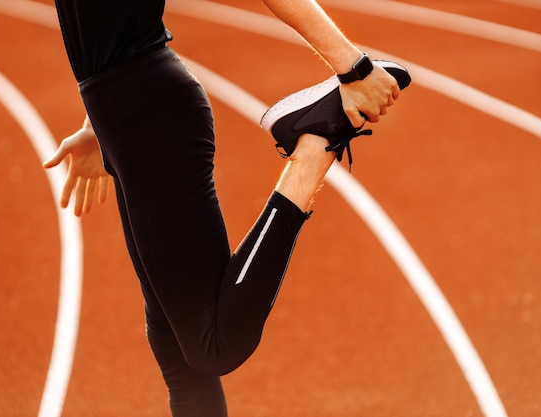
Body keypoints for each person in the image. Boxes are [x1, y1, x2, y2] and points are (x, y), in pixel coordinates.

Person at [42, 0, 408, 415]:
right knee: (176, 347)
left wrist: (354, 70)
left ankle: (316, 141)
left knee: (214, 345)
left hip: (149, 116)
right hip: (127, 115)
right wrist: (98, 123)